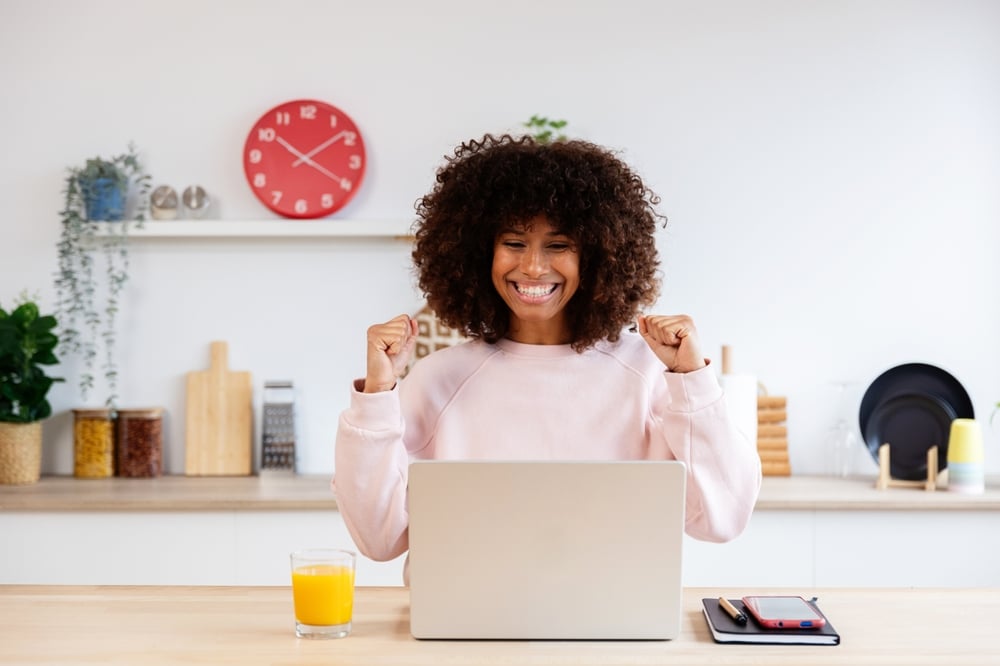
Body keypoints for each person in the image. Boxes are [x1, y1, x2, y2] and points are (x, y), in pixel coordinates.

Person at [333, 134, 761, 573]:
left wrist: (692, 381)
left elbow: (721, 520)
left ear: (597, 257)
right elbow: (379, 539)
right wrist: (377, 395)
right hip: (467, 635)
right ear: (479, 252)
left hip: (614, 631)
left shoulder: (652, 374)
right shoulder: (440, 378)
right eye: (514, 243)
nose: (534, 267)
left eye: (558, 246)